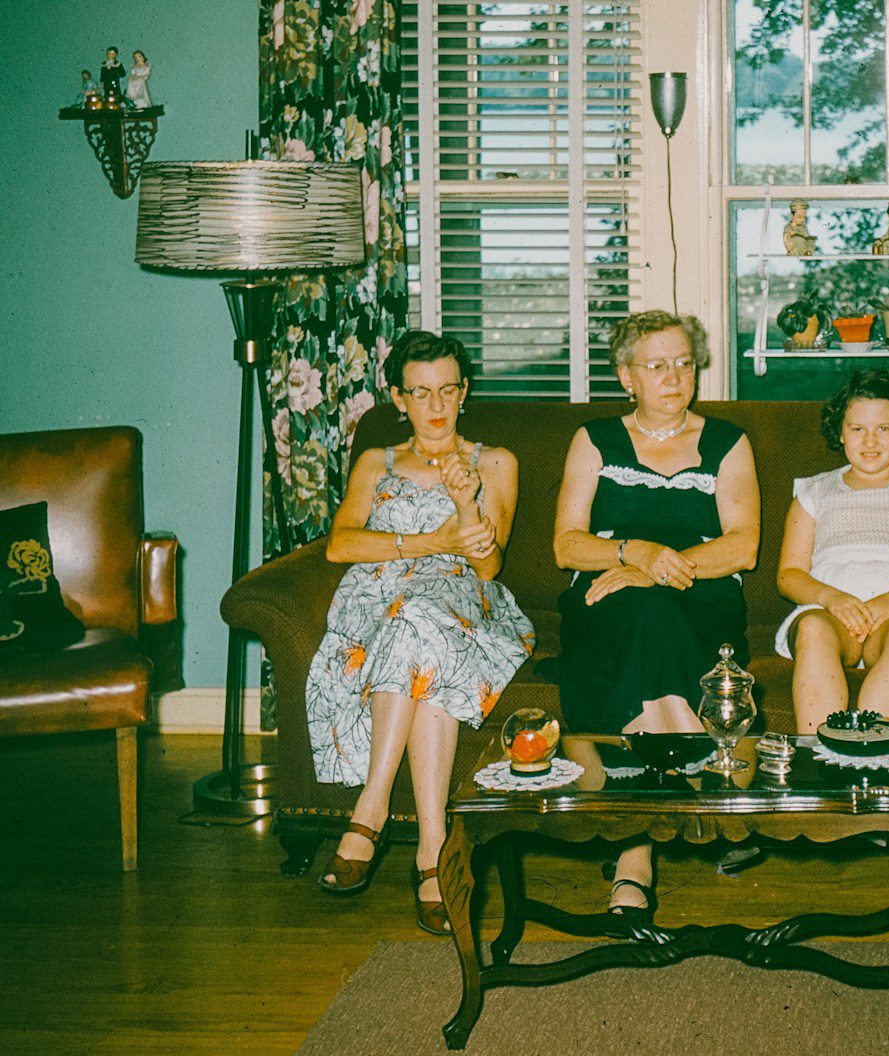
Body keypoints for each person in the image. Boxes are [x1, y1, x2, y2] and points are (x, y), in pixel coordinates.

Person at [305, 330, 535, 935]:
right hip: (375, 604)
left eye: (448, 390)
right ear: (398, 399)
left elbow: (488, 564)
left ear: (465, 393)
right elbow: (340, 544)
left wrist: (465, 504)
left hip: (464, 599)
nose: (436, 407)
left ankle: (370, 814)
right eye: (421, 393)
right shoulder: (375, 463)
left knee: (422, 620)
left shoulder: (494, 462)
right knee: (415, 630)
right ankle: (432, 849)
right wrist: (431, 542)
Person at [539, 310, 760, 928]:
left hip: (703, 594)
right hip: (606, 594)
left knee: (655, 606)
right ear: (625, 376)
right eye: (657, 365)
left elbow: (742, 546)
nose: (674, 376)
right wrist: (634, 554)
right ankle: (698, 804)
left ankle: (633, 850)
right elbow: (565, 545)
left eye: (684, 363)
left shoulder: (727, 442)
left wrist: (660, 567)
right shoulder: (594, 439)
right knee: (640, 609)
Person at [775, 370, 889, 731]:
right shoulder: (813, 492)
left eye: (884, 428)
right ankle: (818, 752)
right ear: (841, 432)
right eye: (858, 429)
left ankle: (873, 751)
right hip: (830, 612)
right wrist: (832, 599)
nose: (871, 441)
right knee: (812, 627)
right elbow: (789, 574)